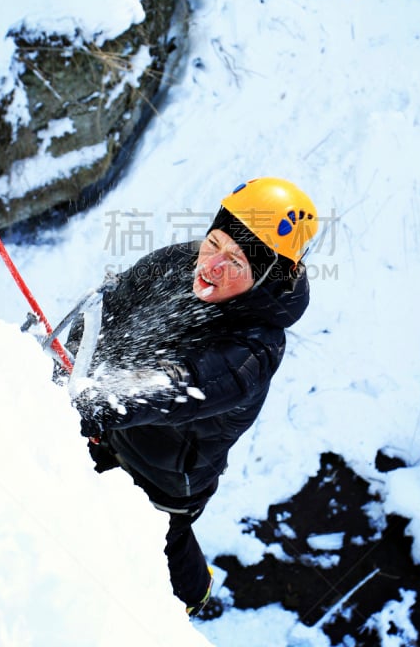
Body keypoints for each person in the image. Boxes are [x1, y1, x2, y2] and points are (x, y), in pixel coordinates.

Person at [60, 177, 318, 616]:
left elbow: (176, 385)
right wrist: (65, 365)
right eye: (214, 242)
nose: (212, 266)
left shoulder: (255, 349)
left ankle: (192, 601)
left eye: (236, 260)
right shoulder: (181, 262)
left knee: (160, 554)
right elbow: (107, 310)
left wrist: (81, 404)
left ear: (271, 275)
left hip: (163, 480)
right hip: (110, 436)